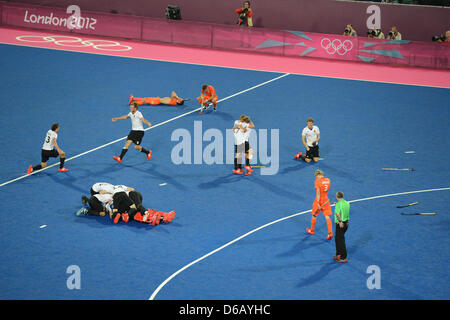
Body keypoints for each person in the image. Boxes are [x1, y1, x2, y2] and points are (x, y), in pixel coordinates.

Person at [306, 170, 333, 240]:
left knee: (314, 215)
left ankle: (311, 230)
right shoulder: (328, 180)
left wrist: (318, 203)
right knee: (327, 216)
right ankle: (330, 233)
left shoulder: (317, 182)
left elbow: (318, 193)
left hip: (319, 200)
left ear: (317, 175)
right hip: (326, 200)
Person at [333, 191, 350, 263]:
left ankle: (344, 257)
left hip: (341, 224)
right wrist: (337, 204)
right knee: (337, 238)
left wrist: (340, 222)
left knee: (341, 240)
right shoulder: (347, 203)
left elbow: (337, 214)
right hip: (346, 223)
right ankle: (338, 254)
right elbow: (343, 209)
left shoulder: (338, 205)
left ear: (337, 197)